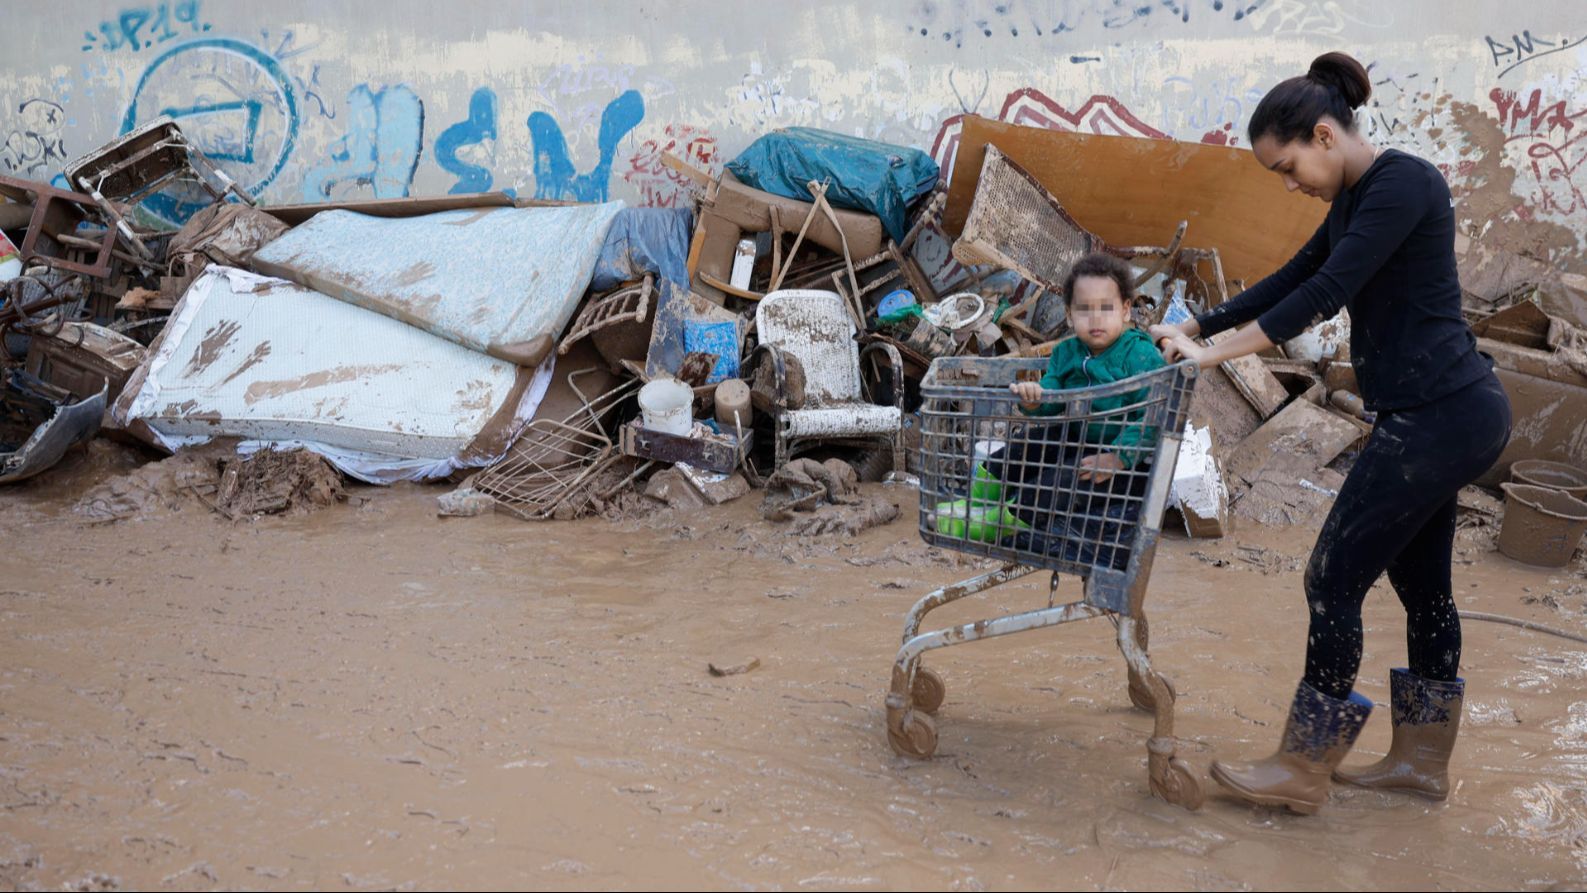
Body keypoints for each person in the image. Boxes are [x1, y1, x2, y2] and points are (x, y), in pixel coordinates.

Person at [1150, 52, 1512, 814]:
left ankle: (1302, 766)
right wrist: (1196, 320)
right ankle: (1418, 763)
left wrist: (1212, 354)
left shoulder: (1403, 184)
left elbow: (1324, 292)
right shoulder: (1355, 197)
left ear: (1322, 134)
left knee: (1329, 578)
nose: (1289, 185)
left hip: (1442, 416)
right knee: (1422, 588)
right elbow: (1291, 273)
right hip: (1437, 413)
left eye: (1287, 167)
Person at [934, 252, 1164, 567]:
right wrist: (1035, 400)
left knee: (1053, 484)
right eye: (1084, 310)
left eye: (1106, 308)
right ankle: (977, 504)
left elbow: (1153, 416)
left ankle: (1001, 522)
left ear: (1125, 310)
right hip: (1079, 435)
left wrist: (1119, 457)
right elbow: (1053, 390)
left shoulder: (1139, 355)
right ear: (1069, 315)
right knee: (1017, 452)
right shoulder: (1068, 351)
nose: (1095, 319)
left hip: (1125, 462)